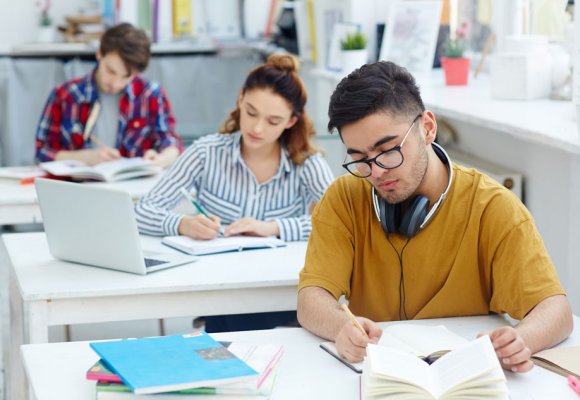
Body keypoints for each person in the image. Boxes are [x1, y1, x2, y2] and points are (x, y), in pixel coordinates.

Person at [297, 61, 573, 373]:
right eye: (360, 159)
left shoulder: (494, 207)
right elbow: (311, 298)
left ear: (428, 128)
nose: (376, 172)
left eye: (388, 151)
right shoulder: (343, 199)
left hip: (464, 379)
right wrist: (340, 327)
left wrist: (522, 339)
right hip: (375, 379)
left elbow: (556, 310)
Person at [135, 53, 334, 332]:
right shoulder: (206, 152)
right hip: (218, 286)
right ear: (240, 99)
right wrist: (183, 224)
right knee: (230, 320)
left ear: (291, 121)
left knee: (233, 323)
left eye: (273, 121)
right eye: (251, 112)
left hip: (278, 289)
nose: (257, 128)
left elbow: (340, 222)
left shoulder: (307, 162)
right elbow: (141, 211)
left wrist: (274, 228)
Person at [35, 23, 183, 168]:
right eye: (111, 71)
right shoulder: (65, 95)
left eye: (126, 77)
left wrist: (163, 158)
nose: (116, 83)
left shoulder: (151, 94)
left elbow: (171, 142)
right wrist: (85, 157)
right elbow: (42, 152)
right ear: (99, 54)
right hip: (79, 187)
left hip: (135, 188)